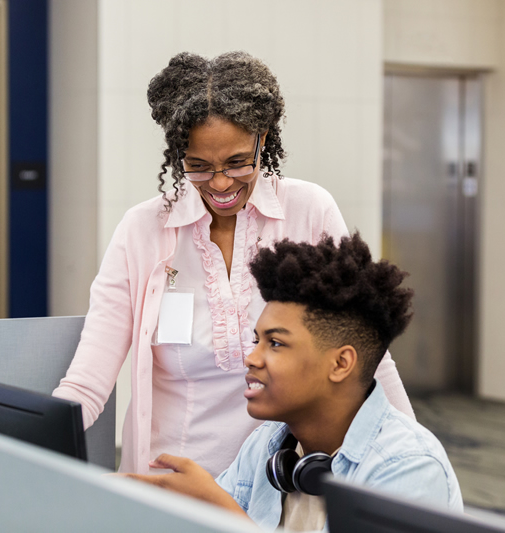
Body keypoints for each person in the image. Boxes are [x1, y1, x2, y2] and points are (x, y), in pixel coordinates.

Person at [52, 51, 413, 476]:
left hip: (280, 480)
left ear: (264, 137)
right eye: (198, 167)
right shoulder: (142, 230)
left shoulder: (308, 211)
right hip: (172, 480)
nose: (220, 183)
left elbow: (367, 353)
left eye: (238, 162)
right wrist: (21, 442)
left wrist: (413, 457)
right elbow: (89, 379)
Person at [122, 233, 463, 531]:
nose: (252, 358)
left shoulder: (407, 469)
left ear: (341, 363)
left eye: (276, 343)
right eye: (257, 341)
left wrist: (223, 512)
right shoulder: (269, 446)